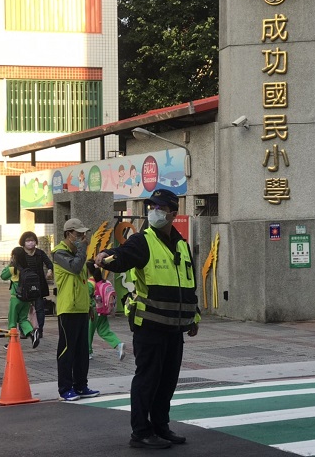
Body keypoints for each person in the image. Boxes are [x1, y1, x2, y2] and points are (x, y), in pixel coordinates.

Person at [94, 189, 200, 450]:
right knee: (148, 380)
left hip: (174, 328)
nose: (154, 212)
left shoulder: (181, 245)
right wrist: (107, 256)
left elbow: (189, 285)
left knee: (167, 380)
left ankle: (160, 426)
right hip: (150, 325)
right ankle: (140, 432)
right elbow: (122, 255)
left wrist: (193, 317)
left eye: (160, 208)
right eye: (151, 207)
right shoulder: (143, 241)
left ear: (173, 213)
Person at [52, 218, 100, 402]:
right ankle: (65, 388)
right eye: (78, 234)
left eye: (83, 234)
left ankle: (81, 385)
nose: (82, 237)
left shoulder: (76, 253)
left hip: (80, 306)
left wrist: (88, 305)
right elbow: (75, 267)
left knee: (82, 350)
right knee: (67, 349)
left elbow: (82, 283)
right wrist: (82, 248)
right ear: (68, 234)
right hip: (68, 308)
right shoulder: (59, 253)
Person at [0, 246, 40, 349]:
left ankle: (11, 342)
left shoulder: (13, 269)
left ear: (14, 256)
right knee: (23, 319)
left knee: (12, 321)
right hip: (26, 299)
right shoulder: (27, 268)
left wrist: (10, 263)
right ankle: (32, 333)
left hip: (15, 298)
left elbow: (3, 276)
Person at [86, 264, 126, 361]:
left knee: (88, 332)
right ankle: (118, 344)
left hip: (93, 311)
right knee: (104, 330)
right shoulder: (103, 281)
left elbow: (86, 298)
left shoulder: (89, 283)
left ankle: (88, 352)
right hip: (103, 310)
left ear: (88, 271)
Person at [18, 231, 53, 338]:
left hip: (39, 285)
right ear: (23, 242)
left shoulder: (40, 253)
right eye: (27, 240)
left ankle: (39, 330)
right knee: (23, 310)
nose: (30, 243)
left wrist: (50, 271)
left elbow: (49, 263)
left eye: (32, 240)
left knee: (39, 309)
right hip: (25, 286)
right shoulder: (20, 254)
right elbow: (16, 266)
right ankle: (24, 331)